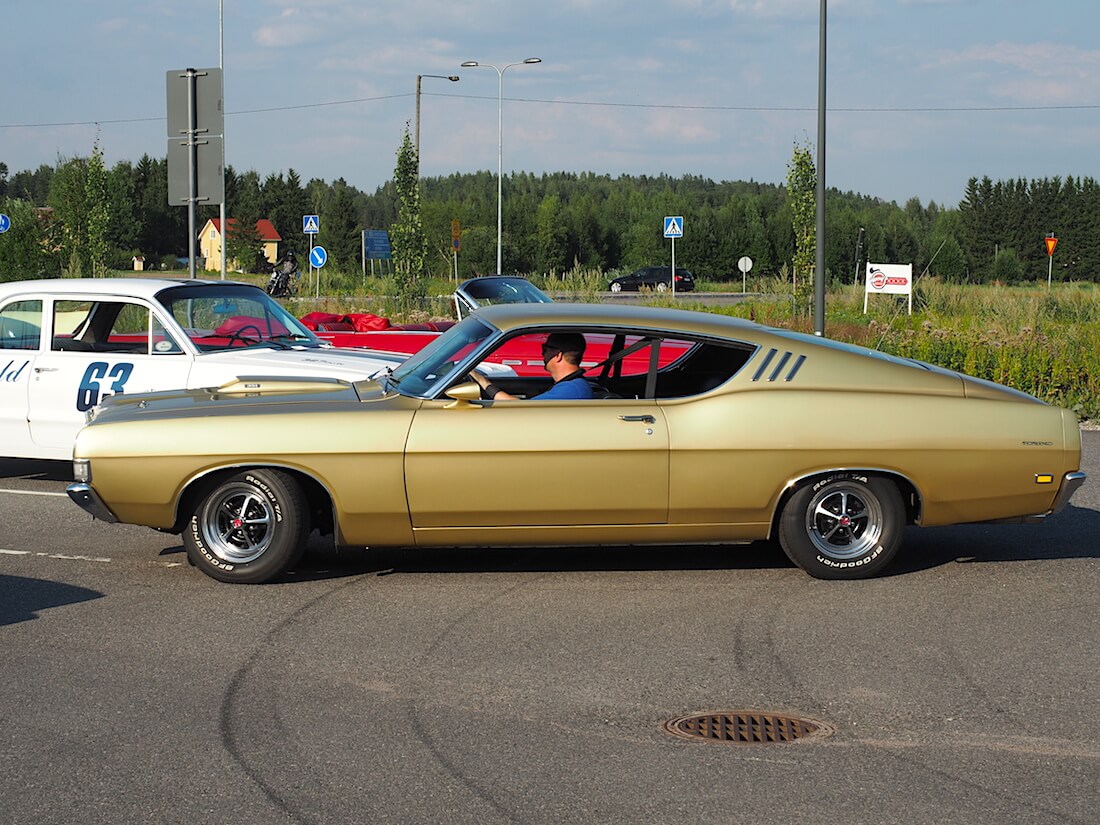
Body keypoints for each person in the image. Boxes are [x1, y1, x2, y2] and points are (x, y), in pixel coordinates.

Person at [471, 332, 593, 401]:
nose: (542, 353)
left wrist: (480, 379)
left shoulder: (570, 390)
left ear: (558, 355)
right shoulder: (573, 386)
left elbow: (519, 407)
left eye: (545, 349)